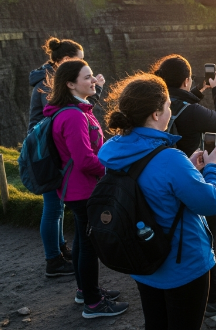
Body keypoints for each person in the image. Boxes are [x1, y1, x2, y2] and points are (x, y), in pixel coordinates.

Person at [98, 73, 216, 330]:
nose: (170, 111)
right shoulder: (169, 159)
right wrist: (213, 168)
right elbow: (210, 203)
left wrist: (188, 170)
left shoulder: (116, 151)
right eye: (168, 106)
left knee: (155, 323)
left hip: (143, 258)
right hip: (182, 265)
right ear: (156, 114)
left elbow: (149, 188)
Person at [151, 54, 216, 317]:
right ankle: (213, 298)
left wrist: (199, 91)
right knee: (207, 237)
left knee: (171, 232)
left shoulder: (157, 104)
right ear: (186, 80)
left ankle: (173, 284)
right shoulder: (188, 110)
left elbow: (183, 107)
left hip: (161, 181)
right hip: (191, 178)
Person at [43, 59, 127, 318]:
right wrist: (115, 170)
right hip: (83, 191)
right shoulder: (73, 116)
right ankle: (93, 303)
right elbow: (85, 160)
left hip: (76, 188)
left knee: (82, 240)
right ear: (70, 84)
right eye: (87, 77)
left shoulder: (73, 111)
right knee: (90, 245)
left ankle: (85, 291)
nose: (94, 81)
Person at [29, 37, 105, 278]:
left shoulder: (55, 83)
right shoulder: (52, 88)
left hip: (54, 153)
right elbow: (70, 112)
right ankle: (54, 259)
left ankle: (62, 252)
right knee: (54, 208)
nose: (83, 64)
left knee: (63, 213)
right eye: (78, 61)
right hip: (52, 157)